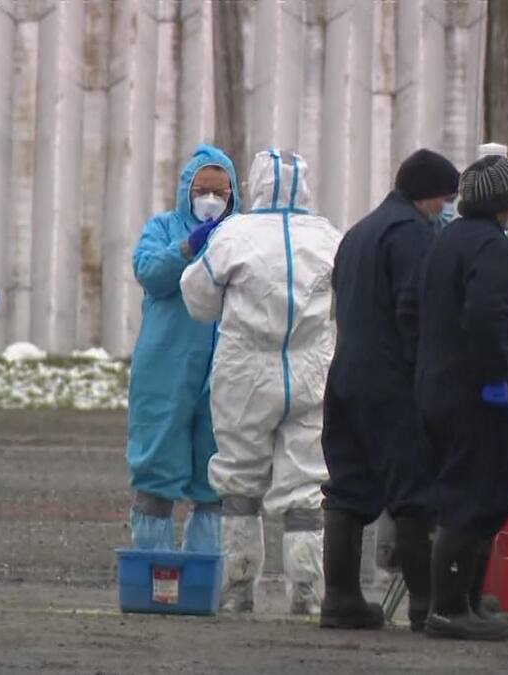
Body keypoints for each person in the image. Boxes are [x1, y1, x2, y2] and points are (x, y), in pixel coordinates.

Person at [180, 149, 341, 615]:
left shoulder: (234, 234)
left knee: (239, 482)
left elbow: (198, 299)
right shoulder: (328, 236)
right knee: (306, 484)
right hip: (310, 372)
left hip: (245, 374)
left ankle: (238, 588)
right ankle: (307, 591)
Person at [319, 149, 459, 631]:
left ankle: (339, 598)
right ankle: (427, 604)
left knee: (347, 487)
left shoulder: (358, 233)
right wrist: (430, 375)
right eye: (444, 200)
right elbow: (412, 310)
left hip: (344, 376)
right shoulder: (413, 235)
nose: (445, 210)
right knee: (413, 490)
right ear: (427, 195)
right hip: (390, 381)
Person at [403, 155, 508, 641]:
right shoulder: (492, 250)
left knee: (464, 491)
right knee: (474, 495)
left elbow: (412, 308)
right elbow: (485, 316)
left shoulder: (444, 242)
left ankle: (468, 602)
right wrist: (496, 376)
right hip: (477, 396)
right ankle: (452, 607)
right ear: (504, 204)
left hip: (438, 389)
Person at [126, 144, 241, 555]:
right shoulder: (162, 228)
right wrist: (188, 248)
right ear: (186, 190)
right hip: (165, 369)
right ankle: (153, 570)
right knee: (156, 467)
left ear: (234, 196)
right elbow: (149, 273)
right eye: (202, 190)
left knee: (214, 477)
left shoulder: (240, 236)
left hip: (224, 370)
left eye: (220, 192)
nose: (210, 200)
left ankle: (205, 575)